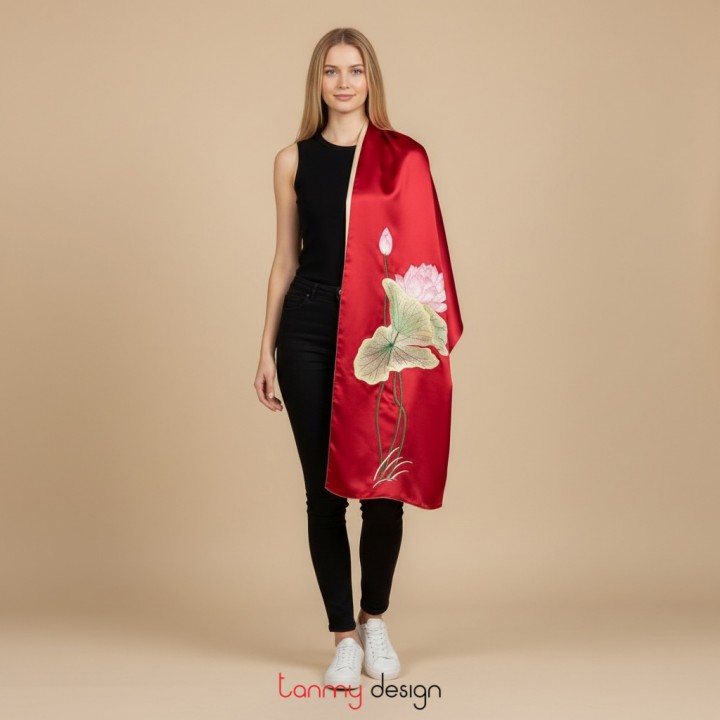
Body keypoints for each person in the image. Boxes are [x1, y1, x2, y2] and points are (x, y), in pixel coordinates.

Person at [254, 28, 421, 689]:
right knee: (323, 492)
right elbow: (284, 260)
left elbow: (423, 257)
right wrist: (265, 349)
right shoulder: (291, 160)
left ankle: (375, 620)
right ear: (317, 81)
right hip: (309, 326)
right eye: (331, 71)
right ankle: (342, 637)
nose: (344, 82)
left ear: (370, 78)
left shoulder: (402, 159)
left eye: (355, 70)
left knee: (383, 488)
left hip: (378, 329)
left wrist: (419, 338)